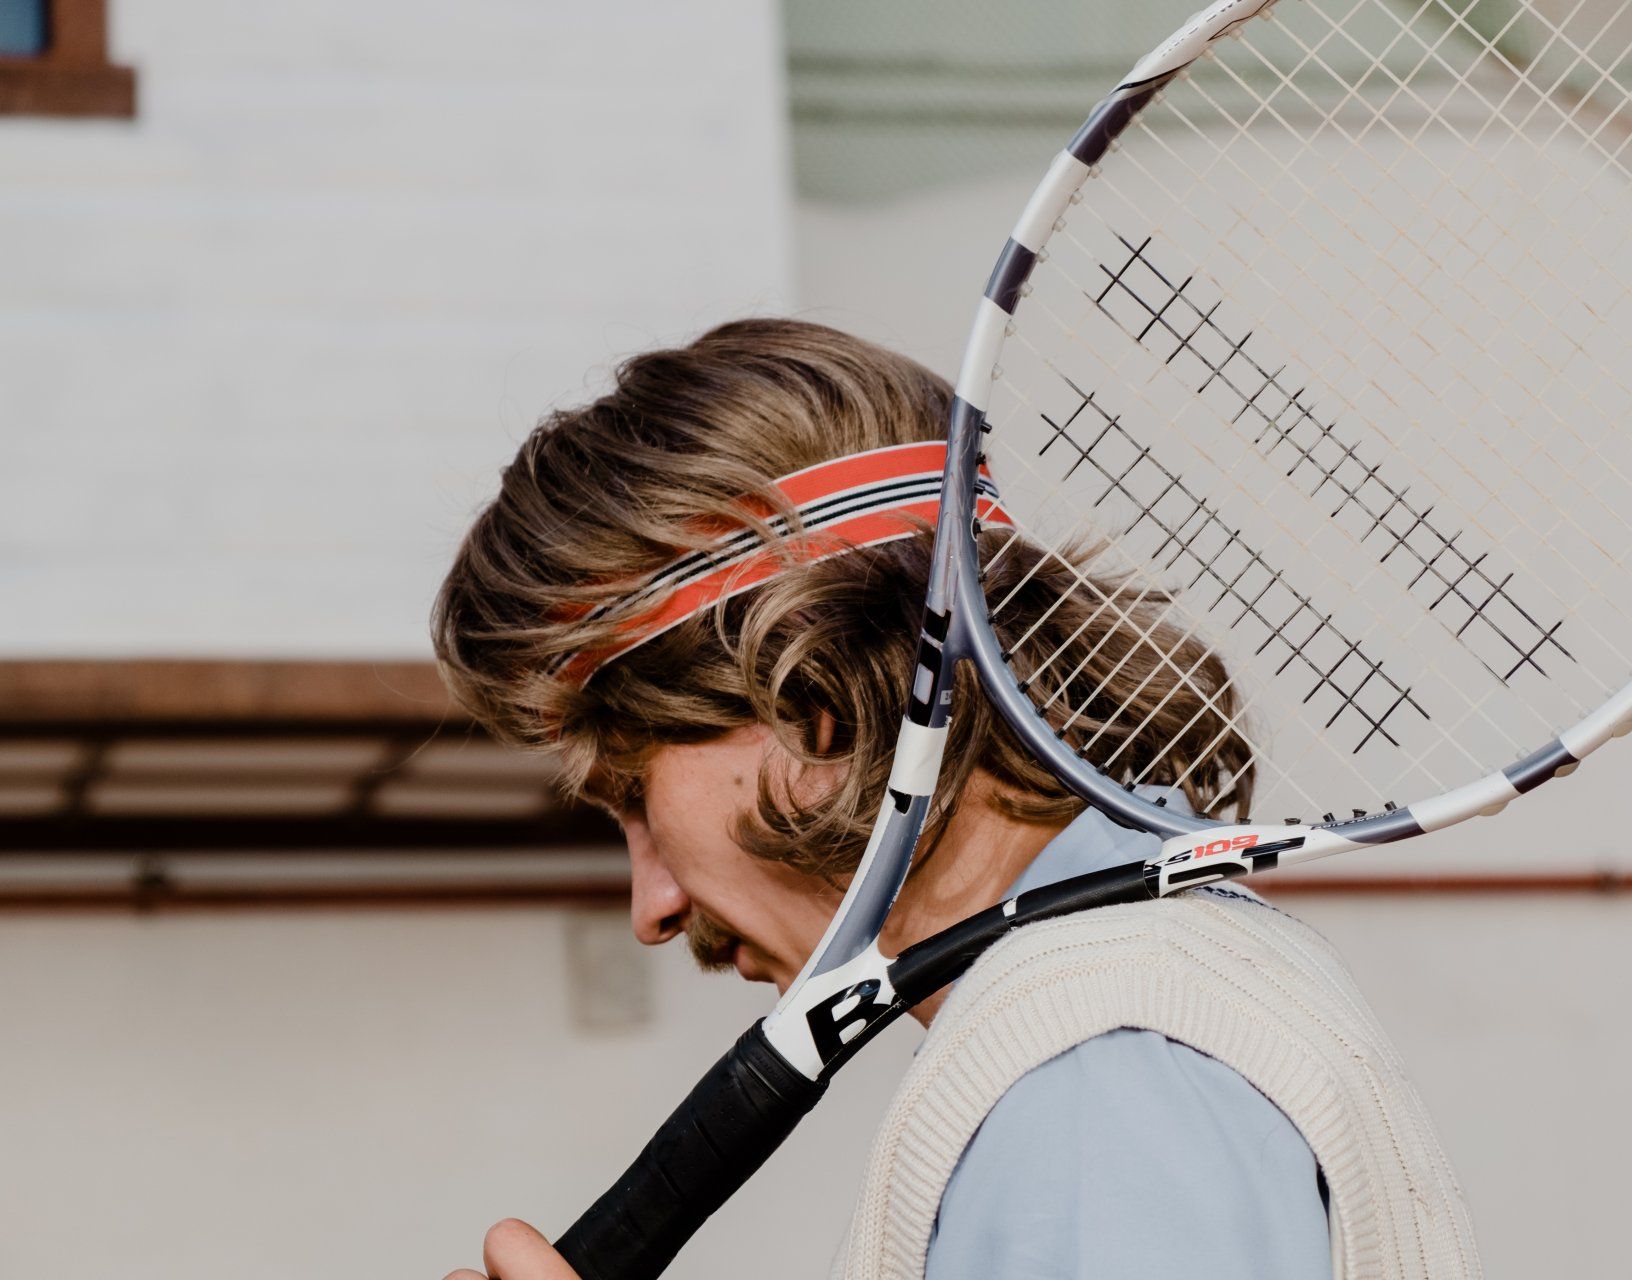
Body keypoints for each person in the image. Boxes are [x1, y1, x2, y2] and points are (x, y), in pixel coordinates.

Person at [432, 319, 1478, 1280]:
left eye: (633, 792)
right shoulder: (1117, 1026)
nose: (650, 906)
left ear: (812, 698)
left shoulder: (1096, 1089)